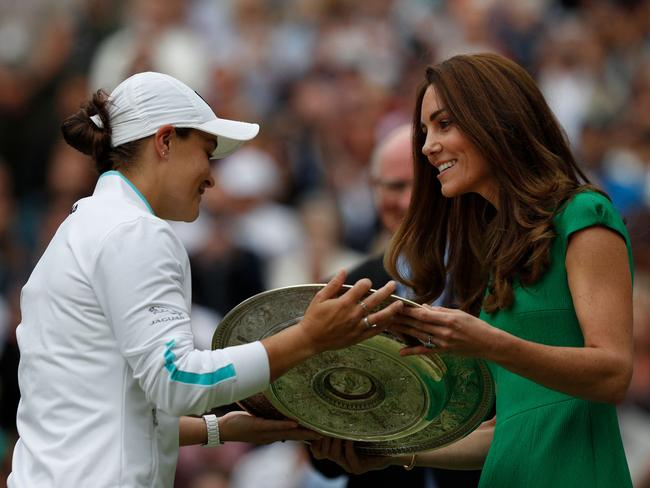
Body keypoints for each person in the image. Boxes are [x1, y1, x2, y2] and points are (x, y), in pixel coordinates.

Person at [7, 71, 404, 487]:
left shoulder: (82, 225)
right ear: (164, 141)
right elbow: (178, 380)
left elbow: (104, 410)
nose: (212, 175)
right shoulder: (135, 231)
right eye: (206, 152)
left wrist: (221, 429)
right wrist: (309, 338)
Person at [310, 52, 634, 487]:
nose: (427, 147)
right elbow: (506, 431)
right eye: (425, 132)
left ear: (496, 120)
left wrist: (489, 343)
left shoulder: (584, 214)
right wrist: (393, 454)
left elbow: (613, 374)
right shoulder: (497, 250)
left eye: (444, 125)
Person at [312, 123, 484, 488]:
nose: (407, 201)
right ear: (373, 190)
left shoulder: (498, 276)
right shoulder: (346, 289)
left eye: (420, 186)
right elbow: (325, 449)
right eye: (393, 186)